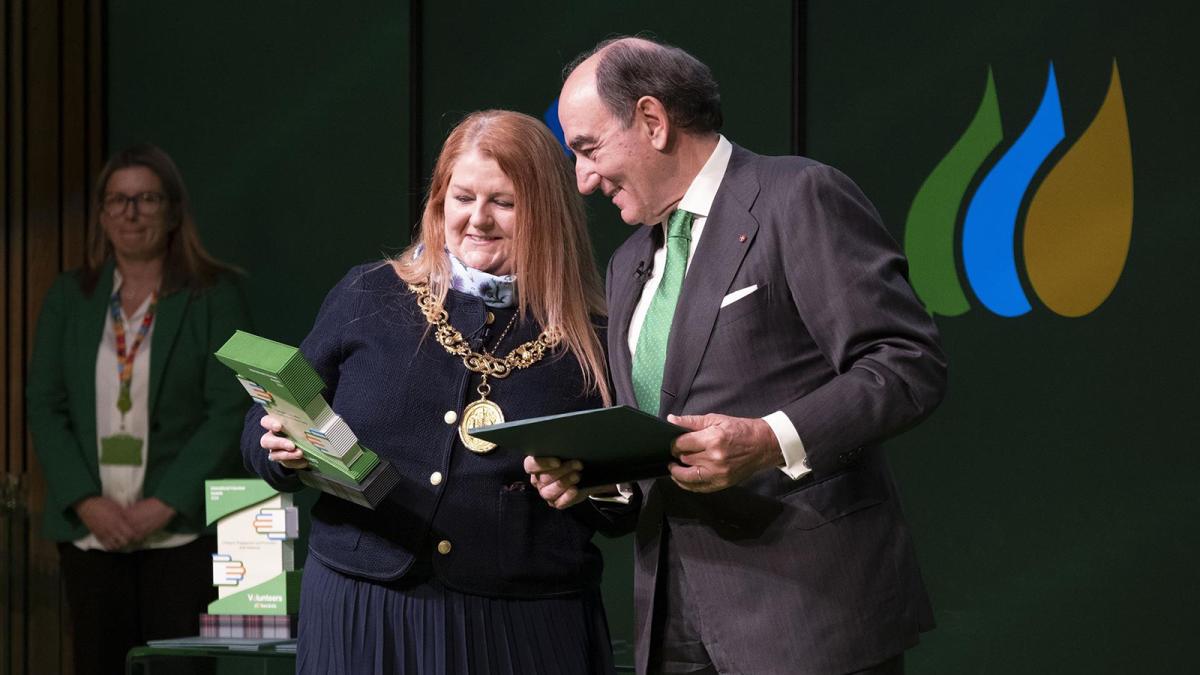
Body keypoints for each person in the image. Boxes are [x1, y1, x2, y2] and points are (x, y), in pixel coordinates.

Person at [526, 37, 948, 675]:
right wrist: (599, 481)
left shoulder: (797, 197)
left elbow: (905, 361)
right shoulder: (626, 264)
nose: (583, 181)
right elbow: (654, 446)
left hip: (809, 616)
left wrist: (770, 439)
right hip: (672, 625)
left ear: (652, 120)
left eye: (588, 150)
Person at [244, 110, 634, 674]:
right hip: (364, 609)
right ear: (438, 203)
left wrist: (593, 487)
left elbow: (626, 501)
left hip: (525, 623)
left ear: (548, 213)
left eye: (504, 202)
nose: (478, 219)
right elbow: (261, 426)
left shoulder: (598, 334)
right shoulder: (369, 293)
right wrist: (278, 450)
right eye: (462, 198)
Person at [26, 143, 252, 675]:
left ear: (173, 211)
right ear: (102, 216)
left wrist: (162, 504)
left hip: (181, 535)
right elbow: (45, 404)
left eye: (146, 199)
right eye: (118, 200)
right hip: (90, 535)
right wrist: (85, 502)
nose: (131, 213)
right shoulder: (69, 297)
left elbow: (227, 409)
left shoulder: (215, 296)